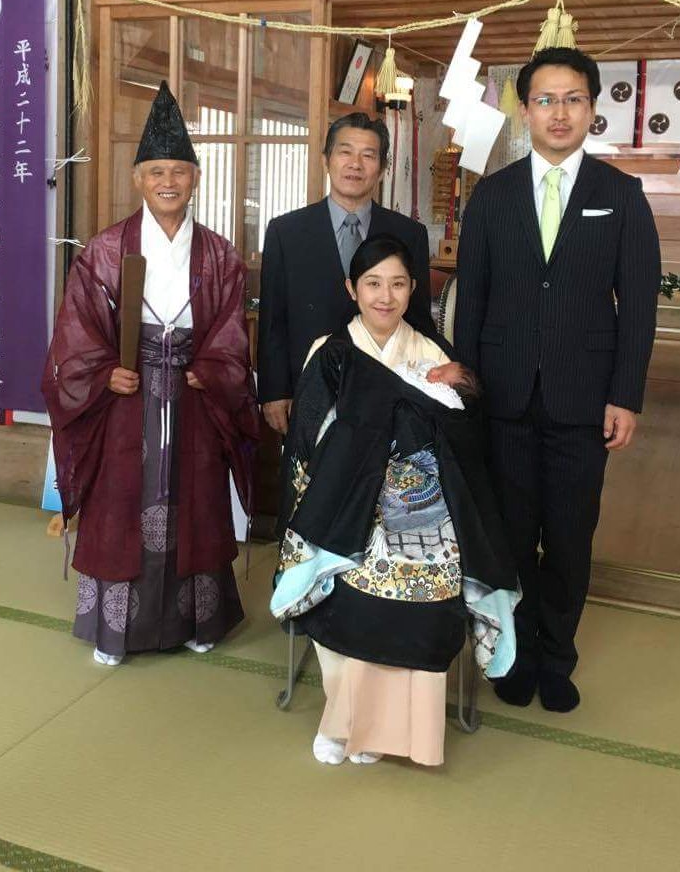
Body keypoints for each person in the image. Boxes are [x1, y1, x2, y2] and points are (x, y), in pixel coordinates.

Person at [454, 47, 661, 712]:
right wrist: (465, 393)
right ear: (525, 110)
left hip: (583, 399)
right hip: (503, 397)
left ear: (592, 108)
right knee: (511, 537)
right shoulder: (491, 196)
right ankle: (513, 654)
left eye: (573, 98)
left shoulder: (620, 196)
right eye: (545, 99)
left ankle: (556, 658)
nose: (559, 112)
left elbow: (638, 305)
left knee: (570, 539)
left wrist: (624, 395)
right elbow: (471, 301)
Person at [271, 235, 518, 767]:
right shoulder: (330, 352)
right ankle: (342, 721)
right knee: (350, 575)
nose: (385, 296)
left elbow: (462, 441)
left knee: (430, 577)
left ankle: (394, 730)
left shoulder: (432, 353)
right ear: (352, 289)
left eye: (398, 284)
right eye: (373, 283)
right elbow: (308, 442)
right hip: (345, 499)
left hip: (423, 504)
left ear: (413, 291)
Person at [43, 82, 259, 666]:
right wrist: (103, 373)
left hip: (193, 396)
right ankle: (116, 629)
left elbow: (231, 333)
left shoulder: (219, 255)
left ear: (195, 179)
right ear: (138, 179)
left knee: (198, 500)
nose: (169, 181)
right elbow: (76, 333)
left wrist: (212, 368)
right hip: (126, 398)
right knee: (120, 502)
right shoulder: (105, 251)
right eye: (157, 171)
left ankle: (198, 619)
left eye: (179, 171)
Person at [258, 112, 442, 437]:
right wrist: (274, 391)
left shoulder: (409, 233)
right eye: (345, 152)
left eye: (368, 155)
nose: (355, 164)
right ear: (326, 159)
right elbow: (273, 319)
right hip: (309, 386)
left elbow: (418, 319)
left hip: (388, 392)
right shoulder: (286, 231)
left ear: (382, 169)